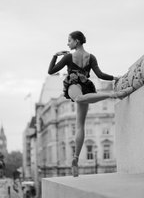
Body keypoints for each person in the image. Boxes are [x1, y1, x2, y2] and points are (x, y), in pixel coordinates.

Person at [48, 30, 133, 177]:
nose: (67, 43)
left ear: (77, 41)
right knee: (80, 99)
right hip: (78, 86)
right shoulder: (84, 57)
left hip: (78, 84)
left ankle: (75, 159)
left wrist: (115, 77)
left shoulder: (72, 57)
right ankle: (113, 95)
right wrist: (55, 55)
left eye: (69, 40)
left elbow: (99, 74)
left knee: (80, 123)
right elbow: (51, 72)